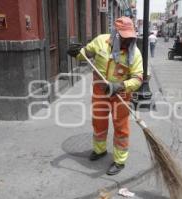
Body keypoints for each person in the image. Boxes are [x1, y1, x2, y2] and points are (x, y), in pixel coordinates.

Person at [67, 16, 143, 175]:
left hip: (120, 94)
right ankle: (100, 150)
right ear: (115, 34)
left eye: (130, 38)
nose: (127, 42)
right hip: (100, 92)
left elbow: (138, 79)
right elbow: (86, 53)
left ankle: (120, 160)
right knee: (99, 123)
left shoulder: (134, 53)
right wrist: (77, 53)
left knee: (121, 128)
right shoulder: (101, 41)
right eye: (123, 37)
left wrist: (121, 85)